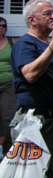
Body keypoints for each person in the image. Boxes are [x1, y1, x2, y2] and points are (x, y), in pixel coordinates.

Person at [11, 0, 53, 178]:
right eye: (47, 14)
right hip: (38, 122)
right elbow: (29, 74)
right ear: (32, 20)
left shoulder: (46, 45)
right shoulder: (25, 44)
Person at [0, 16, 17, 158]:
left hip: (8, 84)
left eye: (3, 26)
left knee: (8, 116)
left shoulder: (11, 42)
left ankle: (5, 149)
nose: (1, 28)